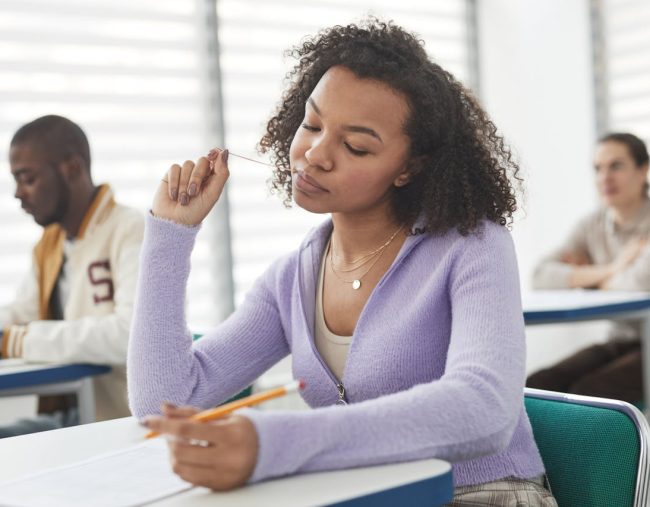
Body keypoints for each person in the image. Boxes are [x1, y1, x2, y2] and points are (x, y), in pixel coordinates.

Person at [129, 20, 557, 505]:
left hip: (484, 494)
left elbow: (485, 409)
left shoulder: (471, 245)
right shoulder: (291, 280)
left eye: (355, 146)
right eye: (312, 124)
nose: (314, 154)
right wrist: (170, 235)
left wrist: (274, 444)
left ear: (409, 167)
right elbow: (164, 402)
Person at [0, 115, 144, 436]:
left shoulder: (129, 229)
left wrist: (19, 341)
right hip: (73, 413)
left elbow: (131, 335)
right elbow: (20, 314)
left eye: (28, 178)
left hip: (119, 420)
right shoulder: (49, 245)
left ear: (72, 169)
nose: (18, 193)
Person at [527, 133, 650, 403]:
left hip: (647, 344)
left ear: (643, 170)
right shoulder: (591, 225)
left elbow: (639, 282)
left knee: (590, 394)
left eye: (616, 166)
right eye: (598, 168)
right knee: (538, 386)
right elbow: (541, 275)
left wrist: (586, 279)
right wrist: (612, 268)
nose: (605, 177)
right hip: (620, 340)